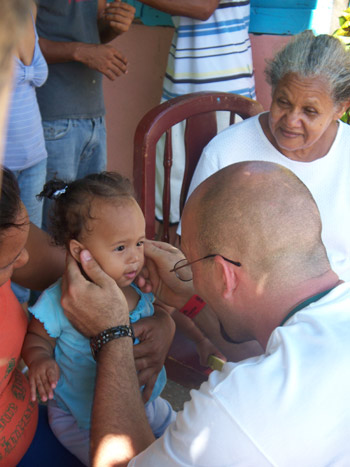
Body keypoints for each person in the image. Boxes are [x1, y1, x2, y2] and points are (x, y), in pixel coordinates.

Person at [61, 161, 350, 465]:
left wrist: (112, 333)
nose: (190, 277)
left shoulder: (234, 411)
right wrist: (190, 300)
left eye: (190, 264)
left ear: (225, 275)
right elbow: (268, 351)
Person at [22, 172, 176, 465]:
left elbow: (163, 313)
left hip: (147, 403)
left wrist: (163, 320)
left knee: (185, 443)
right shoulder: (60, 300)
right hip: (80, 421)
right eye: (121, 247)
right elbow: (37, 338)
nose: (134, 257)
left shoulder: (137, 288)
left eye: (139, 243)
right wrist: (40, 359)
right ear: (81, 252)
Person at [183, 29, 350, 282]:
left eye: (310, 110)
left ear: (340, 108)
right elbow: (194, 248)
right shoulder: (226, 152)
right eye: (283, 102)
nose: (292, 120)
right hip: (252, 306)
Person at [136, 0, 255, 227]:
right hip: (181, 86)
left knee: (225, 203)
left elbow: (203, 7)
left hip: (229, 94)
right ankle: (174, 260)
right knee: (171, 203)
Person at [35, 0, 135, 231]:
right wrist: (80, 51)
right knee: (54, 229)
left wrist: (113, 26)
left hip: (94, 117)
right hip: (52, 119)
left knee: (88, 223)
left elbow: (93, 36)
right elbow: (15, 42)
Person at [4, 1, 48, 304]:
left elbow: (39, 76)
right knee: (6, 257)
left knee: (23, 256)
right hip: (3, 166)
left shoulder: (28, 11)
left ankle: (19, 332)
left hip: (34, 156)